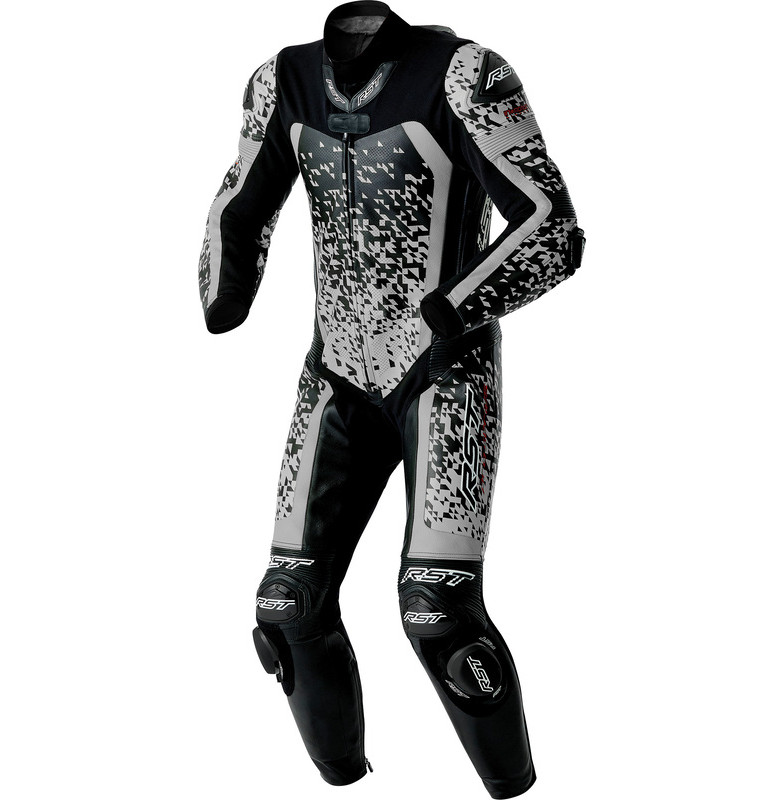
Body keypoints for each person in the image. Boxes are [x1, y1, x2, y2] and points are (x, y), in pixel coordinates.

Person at [197, 2, 584, 797]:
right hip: (335, 375)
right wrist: (223, 292)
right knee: (286, 605)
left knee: (436, 610)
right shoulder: (282, 81)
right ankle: (345, 780)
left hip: (445, 373)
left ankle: (516, 788)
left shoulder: (466, 76)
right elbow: (240, 200)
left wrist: (453, 308)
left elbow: (553, 227)